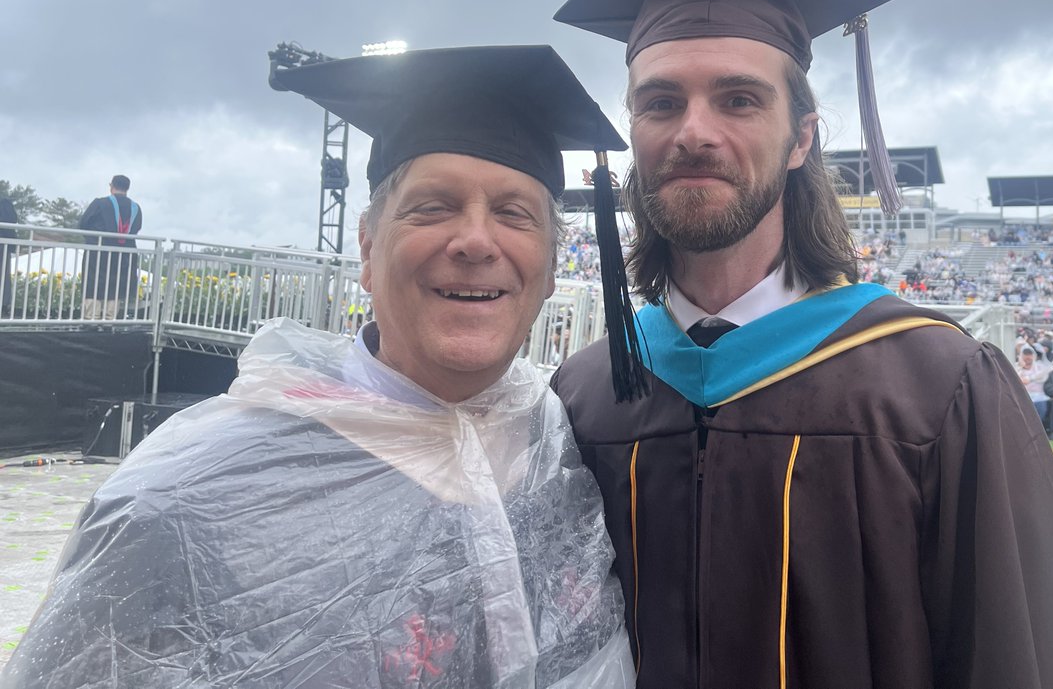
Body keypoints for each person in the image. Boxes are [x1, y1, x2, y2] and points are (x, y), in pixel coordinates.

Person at [550, 0, 1053, 688]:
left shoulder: (936, 390)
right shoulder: (582, 399)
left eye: (739, 99)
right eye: (660, 102)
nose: (694, 131)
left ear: (803, 137)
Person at [2, 47, 636, 688]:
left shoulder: (564, 439)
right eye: (433, 207)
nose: (475, 240)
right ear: (366, 245)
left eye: (513, 214)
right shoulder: (181, 501)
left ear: (554, 266)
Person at [78, 174, 143, 320]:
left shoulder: (100, 204)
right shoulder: (136, 208)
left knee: (94, 285)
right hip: (123, 255)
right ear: (127, 188)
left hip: (98, 253)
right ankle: (110, 320)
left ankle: (91, 320)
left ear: (111, 186)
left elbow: (83, 225)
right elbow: (137, 228)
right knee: (116, 286)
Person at [1016, 344, 1052, 423]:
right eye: (1025, 355)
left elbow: (1045, 374)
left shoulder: (1040, 366)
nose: (1028, 357)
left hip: (1039, 396)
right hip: (1021, 396)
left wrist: (1030, 378)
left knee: (1041, 408)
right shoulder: (1017, 367)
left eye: (1030, 355)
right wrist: (1020, 367)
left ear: (1033, 356)